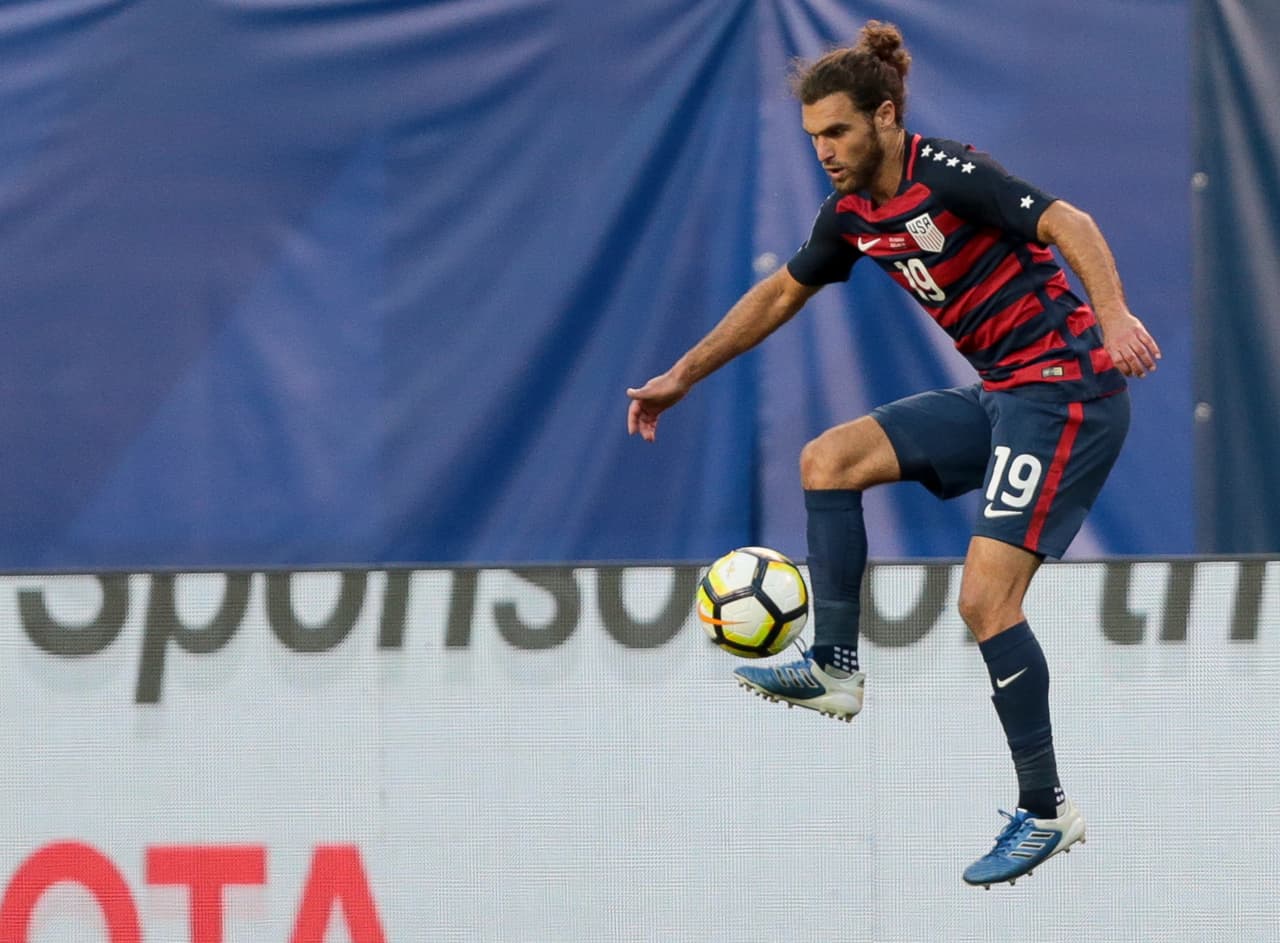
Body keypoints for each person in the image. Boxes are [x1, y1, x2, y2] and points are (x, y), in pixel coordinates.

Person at [625, 21, 1161, 888]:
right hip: (1004, 393)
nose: (825, 151)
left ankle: (1046, 808)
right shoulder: (849, 215)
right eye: (812, 137)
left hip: (1067, 389)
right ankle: (835, 666)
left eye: (837, 131)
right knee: (827, 460)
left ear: (883, 116)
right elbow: (775, 296)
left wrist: (1112, 314)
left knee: (986, 601)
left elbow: (1072, 221)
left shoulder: (946, 173)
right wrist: (679, 376)